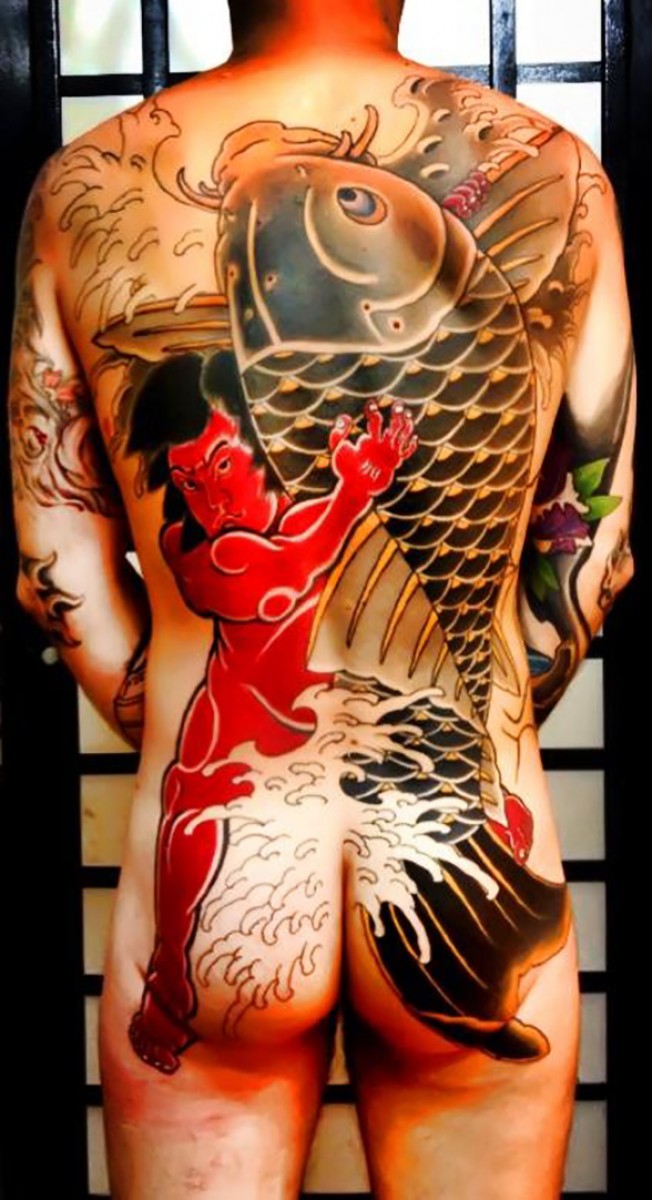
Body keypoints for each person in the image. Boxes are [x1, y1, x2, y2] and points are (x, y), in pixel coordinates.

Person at [7, 1, 635, 1196]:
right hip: (467, 853)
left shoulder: (84, 182)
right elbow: (593, 545)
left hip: (221, 863)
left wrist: (204, 718)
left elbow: (60, 566)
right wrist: (475, 712)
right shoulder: (559, 170)